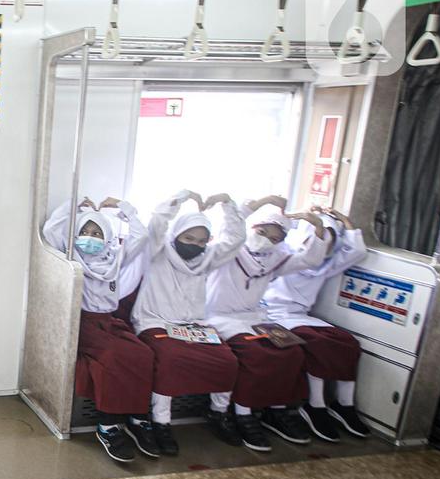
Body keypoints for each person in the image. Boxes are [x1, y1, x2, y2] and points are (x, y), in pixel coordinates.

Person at [204, 198, 326, 451]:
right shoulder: (229, 249)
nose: (266, 240)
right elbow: (233, 222)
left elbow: (311, 260)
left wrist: (318, 226)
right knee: (256, 354)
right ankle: (243, 413)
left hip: (255, 317)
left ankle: (276, 410)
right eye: (262, 232)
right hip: (219, 316)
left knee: (292, 352)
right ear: (251, 227)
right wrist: (265, 201)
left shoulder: (274, 259)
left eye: (274, 238)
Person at [44, 196, 159, 462]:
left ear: (107, 237)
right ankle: (107, 426)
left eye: (96, 233)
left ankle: (138, 419)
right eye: (85, 231)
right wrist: (74, 204)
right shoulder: (71, 255)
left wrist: (123, 208)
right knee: (112, 357)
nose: (90, 237)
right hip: (82, 322)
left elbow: (141, 236)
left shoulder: (114, 258)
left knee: (143, 353)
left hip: (109, 321)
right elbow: (51, 230)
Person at [130, 190, 245, 449]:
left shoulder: (207, 259)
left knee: (227, 361)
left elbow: (236, 239)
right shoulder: (158, 252)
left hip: (194, 326)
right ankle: (161, 421)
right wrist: (182, 197)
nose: (194, 244)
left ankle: (218, 413)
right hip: (155, 322)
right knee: (171, 359)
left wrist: (227, 203)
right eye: (188, 238)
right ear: (176, 236)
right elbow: (157, 222)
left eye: (201, 240)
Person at [263, 207, 370, 440]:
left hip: (301, 315)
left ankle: (344, 404)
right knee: (317, 344)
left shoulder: (325, 265)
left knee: (348, 343)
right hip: (272, 315)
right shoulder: (285, 255)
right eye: (318, 238)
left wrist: (343, 220)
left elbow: (357, 250)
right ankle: (316, 404)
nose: (323, 246)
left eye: (329, 242)